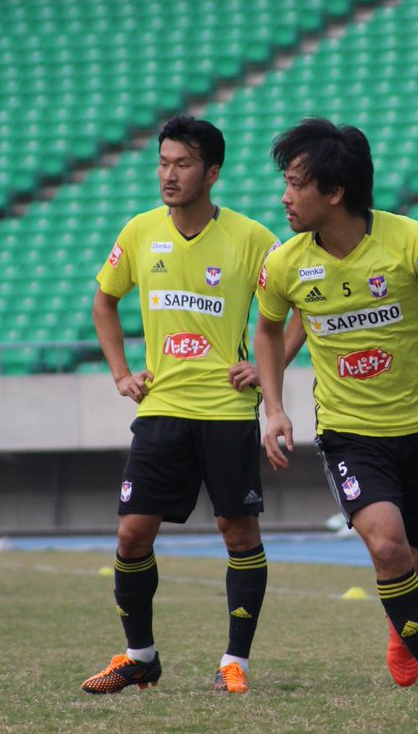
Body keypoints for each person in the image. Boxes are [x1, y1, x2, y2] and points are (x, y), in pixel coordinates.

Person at [253, 118, 418, 725]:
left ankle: (404, 625)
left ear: (334, 192)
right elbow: (265, 331)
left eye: (294, 184)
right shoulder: (285, 264)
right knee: (386, 545)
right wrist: (275, 407)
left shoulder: (409, 241)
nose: (284, 198)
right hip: (349, 435)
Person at [82, 115, 296, 696]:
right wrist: (122, 374)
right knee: (131, 535)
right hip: (161, 408)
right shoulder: (139, 232)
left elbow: (299, 300)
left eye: (181, 164)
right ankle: (140, 657)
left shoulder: (252, 239)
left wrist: (267, 366)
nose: (168, 175)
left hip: (227, 411)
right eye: (163, 162)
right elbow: (104, 304)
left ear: (212, 172)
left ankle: (236, 661)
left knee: (238, 533)